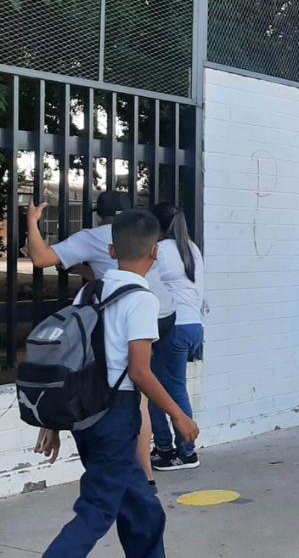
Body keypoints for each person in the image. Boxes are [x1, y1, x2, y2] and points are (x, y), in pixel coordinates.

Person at [37, 209, 199, 557]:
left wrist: (55, 421)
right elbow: (140, 372)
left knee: (142, 509)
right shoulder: (142, 301)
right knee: (96, 511)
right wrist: (178, 415)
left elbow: (69, 359)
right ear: (155, 253)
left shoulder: (89, 293)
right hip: (114, 417)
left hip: (85, 414)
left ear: (111, 251)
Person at [25, 191, 169, 484]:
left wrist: (32, 220)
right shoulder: (148, 240)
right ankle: (145, 476)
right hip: (162, 314)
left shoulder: (95, 237)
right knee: (138, 390)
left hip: (117, 315)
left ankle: (132, 475)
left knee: (123, 384)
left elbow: (40, 257)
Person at [147, 203, 207, 469]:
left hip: (173, 327)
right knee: (170, 387)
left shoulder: (160, 251)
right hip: (194, 325)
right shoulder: (191, 248)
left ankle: (181, 450)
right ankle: (172, 448)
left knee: (163, 389)